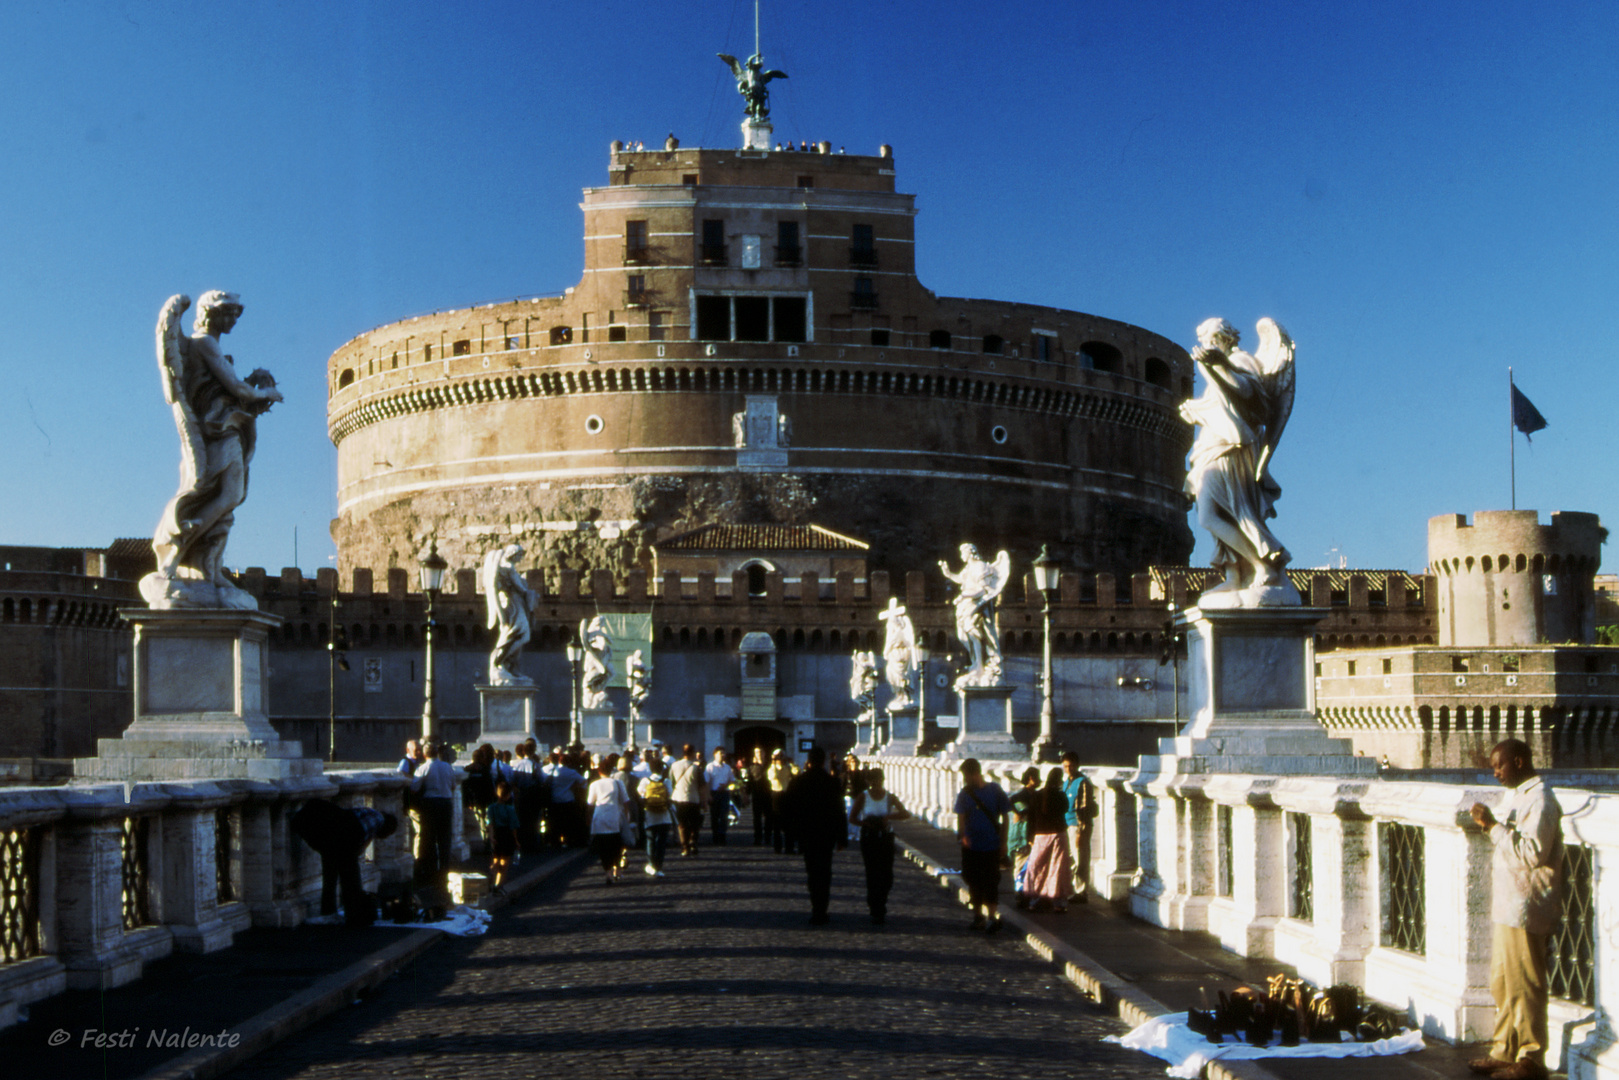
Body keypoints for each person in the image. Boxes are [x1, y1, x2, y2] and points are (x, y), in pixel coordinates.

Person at [1469, 739, 1565, 1080]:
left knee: (1525, 983)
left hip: (1527, 905)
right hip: (1509, 904)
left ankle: (1531, 1057)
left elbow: (1532, 853)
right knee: (1503, 982)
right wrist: (1495, 826)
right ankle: (1505, 1048)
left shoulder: (1540, 800)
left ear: (1520, 761)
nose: (1495, 772)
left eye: (1500, 765)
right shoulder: (1519, 796)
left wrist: (1493, 827)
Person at [289, 799, 398, 926]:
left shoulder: (372, 812)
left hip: (335, 833)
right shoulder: (379, 820)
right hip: (345, 835)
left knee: (330, 876)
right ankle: (352, 913)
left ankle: (329, 912)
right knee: (350, 878)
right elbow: (360, 834)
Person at [783, 747, 848, 925]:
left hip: (807, 832)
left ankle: (816, 908)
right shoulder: (832, 782)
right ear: (824, 761)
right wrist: (842, 837)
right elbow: (839, 811)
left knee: (812, 871)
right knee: (825, 872)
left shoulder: (798, 781)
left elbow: (787, 808)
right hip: (826, 833)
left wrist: (791, 831)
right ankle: (822, 909)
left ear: (809, 761)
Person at [848, 766, 910, 925]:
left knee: (887, 874)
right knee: (872, 872)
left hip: (885, 838)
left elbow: (905, 814)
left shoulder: (889, 797)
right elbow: (852, 818)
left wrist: (889, 817)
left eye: (878, 781)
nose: (875, 784)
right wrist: (865, 823)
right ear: (868, 782)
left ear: (883, 780)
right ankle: (876, 906)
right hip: (869, 838)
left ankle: (880, 900)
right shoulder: (864, 796)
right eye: (873, 781)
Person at [954, 758, 1010, 932]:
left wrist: (1003, 841)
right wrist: (963, 835)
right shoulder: (964, 794)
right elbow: (961, 817)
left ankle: (992, 917)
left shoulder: (995, 790)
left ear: (975, 773)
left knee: (991, 881)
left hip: (991, 844)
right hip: (972, 845)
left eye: (966, 776)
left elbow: (1005, 816)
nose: (965, 780)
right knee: (972, 880)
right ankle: (978, 916)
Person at [411, 740, 457, 914]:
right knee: (445, 837)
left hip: (430, 804)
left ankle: (430, 870)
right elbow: (453, 786)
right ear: (438, 752)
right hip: (446, 803)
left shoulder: (422, 768)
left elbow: (414, 788)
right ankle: (444, 868)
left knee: (428, 837)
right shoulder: (447, 766)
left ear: (424, 754)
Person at [1023, 768, 1074, 912]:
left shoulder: (1037, 795)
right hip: (1058, 834)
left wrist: (1029, 837)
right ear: (1059, 780)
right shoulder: (1061, 795)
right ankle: (1058, 902)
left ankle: (1035, 899)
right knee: (1058, 868)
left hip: (1040, 836)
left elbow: (1031, 818)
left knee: (1038, 867)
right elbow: (1065, 810)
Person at [586, 755, 632, 885]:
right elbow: (626, 802)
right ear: (611, 770)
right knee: (616, 846)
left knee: (603, 848)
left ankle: (608, 873)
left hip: (599, 817)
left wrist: (588, 817)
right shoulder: (618, 783)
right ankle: (616, 869)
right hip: (614, 817)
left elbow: (590, 804)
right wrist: (627, 817)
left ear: (599, 771)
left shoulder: (594, 784)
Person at [1061, 751, 1098, 904]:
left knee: (1080, 858)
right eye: (1065, 766)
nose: (1068, 769)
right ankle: (1072, 889)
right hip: (1068, 824)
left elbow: (1083, 808)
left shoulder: (1082, 782)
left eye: (1070, 766)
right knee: (1070, 859)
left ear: (1077, 765)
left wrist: (1080, 832)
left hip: (1078, 825)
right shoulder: (1067, 782)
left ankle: (1081, 891)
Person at [1008, 766, 1040, 909]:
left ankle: (1025, 893)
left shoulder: (1034, 794)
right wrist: (1018, 813)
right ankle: (1019, 893)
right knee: (1021, 865)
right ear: (1031, 778)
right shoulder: (1022, 795)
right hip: (1022, 834)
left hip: (1030, 833)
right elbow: (1010, 802)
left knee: (1029, 866)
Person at [669, 743, 708, 856]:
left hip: (678, 798)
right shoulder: (696, 768)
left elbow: (671, 782)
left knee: (682, 824)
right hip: (693, 799)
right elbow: (701, 786)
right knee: (695, 824)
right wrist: (704, 802)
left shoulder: (674, 765)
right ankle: (693, 842)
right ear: (692, 753)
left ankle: (684, 847)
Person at [638, 756, 673, 878]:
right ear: (662, 769)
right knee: (661, 843)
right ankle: (659, 867)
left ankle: (651, 864)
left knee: (650, 840)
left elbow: (641, 795)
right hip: (664, 815)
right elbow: (670, 796)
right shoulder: (666, 781)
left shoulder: (645, 781)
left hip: (650, 815)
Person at [486, 781, 519, 898]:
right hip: (506, 835)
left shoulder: (491, 808)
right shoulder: (510, 809)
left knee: (495, 860)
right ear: (508, 794)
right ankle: (498, 886)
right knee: (504, 863)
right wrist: (516, 841)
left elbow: (489, 824)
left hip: (496, 834)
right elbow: (513, 826)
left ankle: (491, 881)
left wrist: (491, 836)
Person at [767, 749, 797, 854]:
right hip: (776, 795)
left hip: (787, 795)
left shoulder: (787, 767)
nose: (780, 758)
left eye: (781, 756)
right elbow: (773, 776)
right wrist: (774, 763)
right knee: (777, 823)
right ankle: (777, 847)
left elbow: (797, 773)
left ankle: (789, 848)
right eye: (778, 756)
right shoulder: (771, 769)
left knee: (789, 823)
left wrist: (792, 763)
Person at [705, 747, 735, 846]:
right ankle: (715, 835)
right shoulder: (710, 766)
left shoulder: (727, 767)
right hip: (714, 793)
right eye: (720, 753)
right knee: (714, 815)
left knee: (724, 815)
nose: (723, 755)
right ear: (715, 754)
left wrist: (726, 785)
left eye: (724, 753)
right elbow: (707, 782)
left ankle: (722, 835)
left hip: (725, 793)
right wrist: (708, 795)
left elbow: (732, 780)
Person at [746, 747, 771, 845]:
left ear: (764, 753)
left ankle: (768, 837)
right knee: (757, 818)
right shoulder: (751, 767)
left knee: (769, 817)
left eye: (761, 752)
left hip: (769, 794)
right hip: (757, 795)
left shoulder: (770, 765)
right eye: (756, 752)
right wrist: (747, 794)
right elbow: (749, 782)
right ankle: (758, 838)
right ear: (754, 755)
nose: (759, 754)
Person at [842, 752, 867, 842]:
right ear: (850, 763)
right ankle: (850, 833)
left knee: (858, 815)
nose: (854, 763)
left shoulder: (861, 774)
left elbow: (864, 785)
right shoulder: (846, 774)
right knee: (849, 814)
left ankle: (857, 833)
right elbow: (843, 786)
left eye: (856, 762)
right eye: (853, 762)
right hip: (849, 795)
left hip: (858, 795)